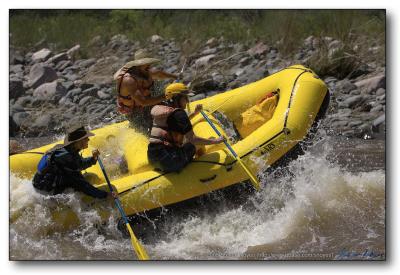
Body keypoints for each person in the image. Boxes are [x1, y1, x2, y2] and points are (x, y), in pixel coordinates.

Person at [147, 83, 224, 173]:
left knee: (184, 143)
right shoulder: (179, 114)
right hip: (170, 161)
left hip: (152, 159)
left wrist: (195, 113)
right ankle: (203, 168)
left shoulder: (161, 109)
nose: (187, 101)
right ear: (176, 98)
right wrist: (216, 141)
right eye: (185, 98)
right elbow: (193, 139)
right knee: (198, 143)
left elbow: (176, 123)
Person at [32, 126, 114, 199]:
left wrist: (93, 159)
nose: (88, 139)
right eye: (86, 138)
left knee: (91, 177)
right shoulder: (68, 159)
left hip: (41, 181)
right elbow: (83, 185)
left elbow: (80, 163)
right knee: (81, 183)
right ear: (79, 141)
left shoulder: (64, 149)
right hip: (45, 191)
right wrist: (105, 195)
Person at [113, 49, 178, 134]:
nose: (149, 65)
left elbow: (159, 74)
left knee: (171, 116)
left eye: (149, 62)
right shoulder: (129, 80)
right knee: (148, 133)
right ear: (137, 65)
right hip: (135, 113)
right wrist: (165, 96)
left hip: (149, 105)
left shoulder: (145, 71)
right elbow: (143, 102)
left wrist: (175, 76)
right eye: (145, 63)